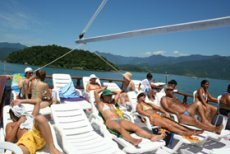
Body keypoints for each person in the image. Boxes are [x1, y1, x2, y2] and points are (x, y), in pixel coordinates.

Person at [94, 89, 165, 146]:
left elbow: (118, 92)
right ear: (103, 96)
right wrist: (104, 88)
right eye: (107, 95)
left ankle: (152, 136)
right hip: (110, 121)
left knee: (135, 127)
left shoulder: (112, 103)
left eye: (110, 95)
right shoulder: (100, 104)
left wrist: (110, 91)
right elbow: (95, 92)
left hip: (120, 119)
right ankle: (133, 140)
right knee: (119, 128)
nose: (110, 97)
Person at [136, 92, 203, 136]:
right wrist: (149, 115)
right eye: (141, 96)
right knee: (168, 125)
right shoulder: (139, 105)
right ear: (138, 98)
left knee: (175, 124)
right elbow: (140, 111)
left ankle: (192, 130)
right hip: (152, 118)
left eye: (144, 96)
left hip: (158, 116)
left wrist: (165, 112)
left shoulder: (148, 103)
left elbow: (158, 108)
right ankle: (184, 133)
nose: (143, 98)